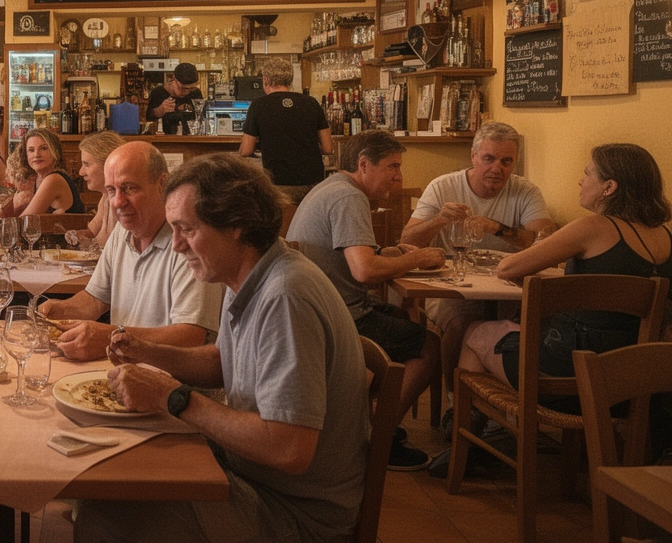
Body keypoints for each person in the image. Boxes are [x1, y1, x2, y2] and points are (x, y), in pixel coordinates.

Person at [74, 153, 369, 543]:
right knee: (110, 481)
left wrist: (173, 398)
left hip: (293, 512)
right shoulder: (249, 273)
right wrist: (144, 350)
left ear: (237, 225)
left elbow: (289, 448)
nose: (176, 245)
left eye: (187, 230)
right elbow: (220, 362)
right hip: (251, 476)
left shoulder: (286, 297)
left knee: (106, 511)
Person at [459, 143, 672, 411]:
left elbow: (508, 268)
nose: (581, 181)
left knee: (475, 332)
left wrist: (540, 247)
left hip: (570, 376)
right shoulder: (665, 236)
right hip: (635, 384)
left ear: (609, 187)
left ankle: (471, 438)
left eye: (588, 173)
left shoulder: (592, 227)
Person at [285, 129, 445, 470]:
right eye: (393, 167)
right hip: (338, 316)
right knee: (430, 346)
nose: (399, 177)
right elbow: (364, 271)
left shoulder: (331, 187)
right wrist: (417, 259)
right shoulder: (349, 197)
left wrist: (392, 252)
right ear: (363, 165)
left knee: (404, 325)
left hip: (322, 308)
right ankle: (377, 437)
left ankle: (368, 421)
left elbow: (356, 255)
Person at [399, 121, 556, 399]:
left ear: (515, 162)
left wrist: (497, 228)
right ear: (473, 157)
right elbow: (406, 240)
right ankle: (455, 401)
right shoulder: (443, 187)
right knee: (461, 324)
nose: (497, 168)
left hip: (510, 286)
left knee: (534, 325)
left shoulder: (526, 190)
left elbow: (545, 240)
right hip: (454, 286)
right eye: (489, 158)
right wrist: (438, 220)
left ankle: (502, 406)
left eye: (507, 161)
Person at [38, 142, 221, 361]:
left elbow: (191, 336)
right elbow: (96, 300)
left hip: (173, 384)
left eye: (130, 188)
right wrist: (59, 311)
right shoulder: (122, 231)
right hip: (121, 371)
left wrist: (112, 337)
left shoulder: (188, 240)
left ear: (162, 183)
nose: (118, 202)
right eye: (111, 190)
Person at [238, 57, 333, 204]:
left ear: (266, 80)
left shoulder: (258, 106)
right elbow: (328, 148)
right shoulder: (311, 103)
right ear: (290, 80)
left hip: (279, 182)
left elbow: (246, 150)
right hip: (313, 182)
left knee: (283, 224)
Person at [14, 127, 86, 216]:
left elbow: (26, 220)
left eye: (44, 148)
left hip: (74, 229)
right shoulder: (38, 179)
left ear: (55, 151)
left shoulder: (53, 179)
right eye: (31, 150)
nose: (36, 154)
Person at [75, 130, 125, 249]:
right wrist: (72, 235)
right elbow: (90, 232)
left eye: (87, 164)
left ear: (108, 164)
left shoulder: (123, 203)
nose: (81, 172)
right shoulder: (105, 197)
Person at [147, 62, 202, 135]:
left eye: (191, 88)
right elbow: (148, 118)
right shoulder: (157, 93)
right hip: (164, 139)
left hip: (190, 138)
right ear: (174, 79)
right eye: (184, 88)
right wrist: (160, 110)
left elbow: (201, 116)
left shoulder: (196, 93)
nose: (187, 92)